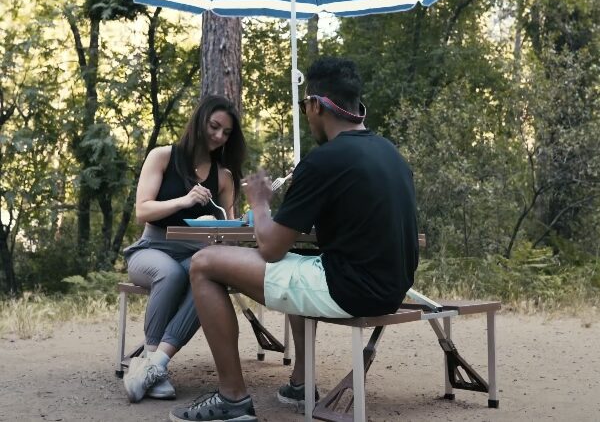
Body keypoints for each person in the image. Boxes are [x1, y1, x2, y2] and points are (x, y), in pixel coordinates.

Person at [168, 56, 419, 422]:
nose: (306, 113)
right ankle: (301, 383)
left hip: (351, 288)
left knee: (205, 263)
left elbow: (270, 247)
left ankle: (232, 398)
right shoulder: (388, 151)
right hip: (392, 286)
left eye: (304, 105)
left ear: (316, 105)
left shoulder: (324, 160)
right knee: (297, 264)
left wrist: (259, 202)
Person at [122, 95, 246, 403]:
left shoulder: (224, 176)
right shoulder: (163, 156)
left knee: (208, 276)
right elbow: (142, 211)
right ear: (200, 121)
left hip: (196, 252)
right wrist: (185, 200)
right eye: (214, 126)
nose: (218, 136)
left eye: (226, 132)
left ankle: (154, 366)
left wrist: (245, 221)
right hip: (151, 248)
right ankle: (152, 360)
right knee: (171, 273)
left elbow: (228, 232)